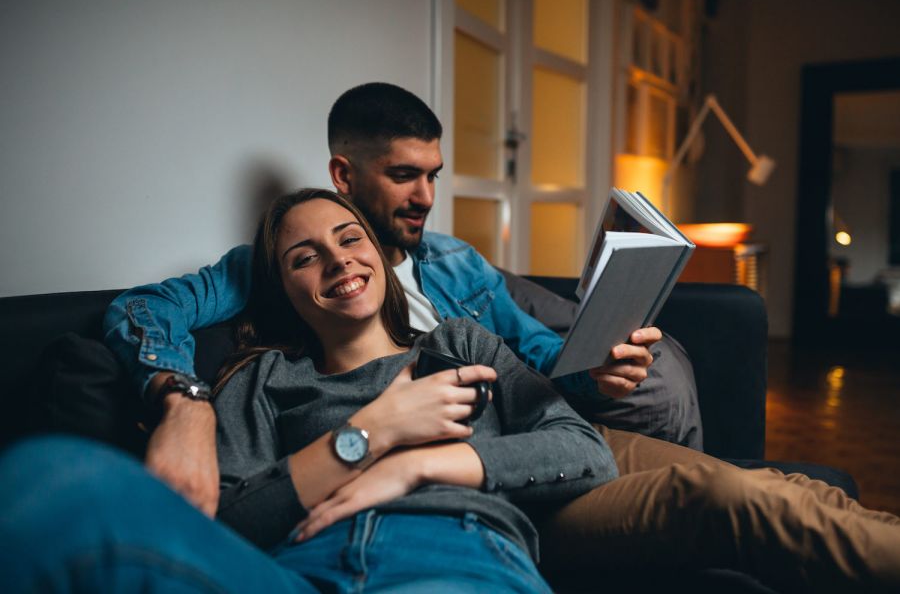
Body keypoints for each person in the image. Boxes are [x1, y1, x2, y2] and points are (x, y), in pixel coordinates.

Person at [102, 82, 700, 516]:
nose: (424, 196)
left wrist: (594, 372)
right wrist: (183, 403)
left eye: (433, 175)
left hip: (510, 436)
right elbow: (143, 309)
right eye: (402, 176)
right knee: (704, 487)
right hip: (411, 477)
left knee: (664, 367)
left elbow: (541, 360)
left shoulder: (454, 264)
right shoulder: (270, 270)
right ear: (344, 174)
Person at [1, 189, 618, 592]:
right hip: (293, 571)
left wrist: (414, 467)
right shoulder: (260, 379)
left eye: (350, 239)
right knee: (46, 475)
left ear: (378, 252)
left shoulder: (459, 344)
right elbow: (232, 521)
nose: (338, 261)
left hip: (450, 557)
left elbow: (585, 450)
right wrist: (369, 436)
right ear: (284, 291)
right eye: (305, 257)